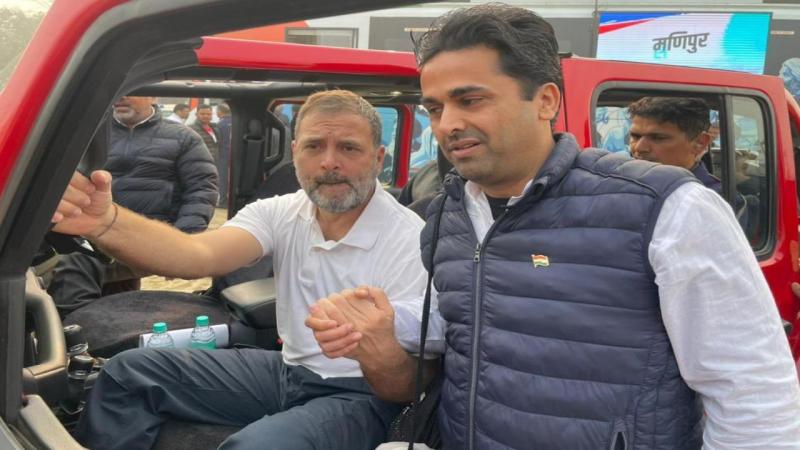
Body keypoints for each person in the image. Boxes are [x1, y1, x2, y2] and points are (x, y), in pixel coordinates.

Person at [306, 4, 800, 449]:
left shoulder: (667, 209)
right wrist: (386, 318)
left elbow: (752, 394)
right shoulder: (447, 213)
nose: (447, 123)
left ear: (545, 101)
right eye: (435, 108)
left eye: (470, 100)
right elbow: (467, 313)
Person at [52, 90, 428, 450]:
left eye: (348, 147)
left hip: (364, 394)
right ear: (295, 153)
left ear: (378, 158)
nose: (329, 162)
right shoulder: (283, 211)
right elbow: (197, 254)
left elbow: (406, 384)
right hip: (289, 372)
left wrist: (371, 343)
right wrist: (104, 221)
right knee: (127, 375)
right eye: (314, 146)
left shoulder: (409, 239)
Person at [47, 95, 218, 314]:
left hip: (148, 235)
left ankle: (72, 324)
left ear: (152, 97)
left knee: (79, 264)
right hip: (92, 229)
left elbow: (201, 190)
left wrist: (182, 244)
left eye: (132, 91)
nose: (121, 97)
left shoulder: (183, 137)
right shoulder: (91, 135)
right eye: (118, 92)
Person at [216, 102, 232, 207]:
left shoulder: (220, 124)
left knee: (223, 178)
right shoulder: (236, 121)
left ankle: (222, 201)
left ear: (220, 111)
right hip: (235, 154)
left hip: (223, 154)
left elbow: (218, 141)